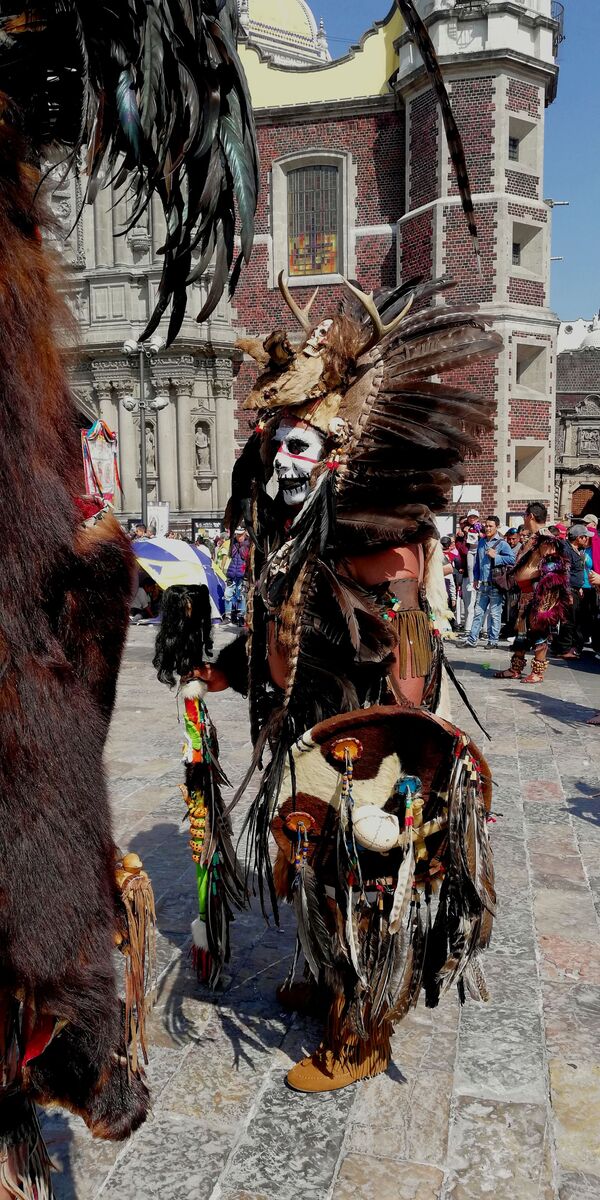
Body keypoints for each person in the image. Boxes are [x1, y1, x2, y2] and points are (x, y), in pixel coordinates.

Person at [495, 502, 569, 684]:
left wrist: (545, 599)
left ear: (531, 516)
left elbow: (553, 570)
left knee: (539, 631)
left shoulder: (547, 539)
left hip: (538, 594)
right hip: (525, 594)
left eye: (524, 515)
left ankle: (538, 671)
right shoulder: (532, 538)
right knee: (521, 633)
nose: (523, 519)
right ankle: (515, 668)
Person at [460, 516, 515, 649]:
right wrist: (476, 578)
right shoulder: (482, 541)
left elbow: (512, 559)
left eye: (491, 526)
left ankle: (493, 641)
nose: (488, 528)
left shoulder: (502, 543)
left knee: (495, 614)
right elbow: (478, 562)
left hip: (495, 584)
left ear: (497, 527)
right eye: (486, 525)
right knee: (478, 612)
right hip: (483, 584)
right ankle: (472, 640)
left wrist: (497, 556)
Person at [552, 525, 588, 659]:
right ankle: (564, 649)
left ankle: (559, 647)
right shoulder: (567, 550)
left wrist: (579, 587)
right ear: (579, 537)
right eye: (585, 537)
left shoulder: (577, 550)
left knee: (571, 619)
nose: (587, 540)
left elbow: (576, 571)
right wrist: (568, 592)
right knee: (568, 621)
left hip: (574, 589)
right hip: (568, 590)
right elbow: (565, 573)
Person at [224, 528, 249, 624]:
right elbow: (231, 555)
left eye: (241, 535)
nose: (239, 537)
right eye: (237, 535)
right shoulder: (233, 543)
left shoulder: (248, 543)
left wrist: (241, 546)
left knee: (241, 596)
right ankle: (228, 616)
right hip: (232, 573)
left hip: (243, 574)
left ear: (245, 534)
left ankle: (241, 617)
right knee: (227, 594)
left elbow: (245, 556)